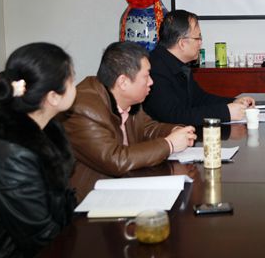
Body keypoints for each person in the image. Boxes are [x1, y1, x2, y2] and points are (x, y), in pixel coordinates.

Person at [62, 41, 197, 200]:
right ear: (123, 82)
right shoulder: (84, 109)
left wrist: (175, 131)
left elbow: (148, 128)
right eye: (146, 76)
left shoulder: (128, 100)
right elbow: (115, 160)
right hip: (92, 200)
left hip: (127, 186)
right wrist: (170, 144)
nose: (151, 82)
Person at [0, 43, 77, 258]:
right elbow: (40, 237)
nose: (76, 86)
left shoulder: (42, 129)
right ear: (53, 97)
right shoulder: (12, 155)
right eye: (72, 80)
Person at [143, 10, 254, 125]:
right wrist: (226, 112)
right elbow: (174, 116)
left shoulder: (179, 64)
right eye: (198, 38)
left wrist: (234, 102)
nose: (200, 43)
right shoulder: (155, 69)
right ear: (182, 43)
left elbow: (199, 99)